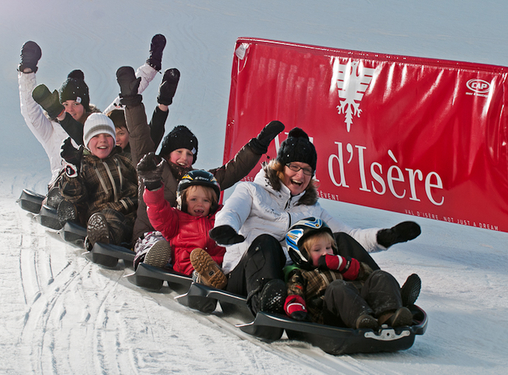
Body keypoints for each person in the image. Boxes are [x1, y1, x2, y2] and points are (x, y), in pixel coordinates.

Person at [208, 127, 421, 316]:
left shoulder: (311, 208)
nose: (300, 175)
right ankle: (267, 301)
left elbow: (350, 235)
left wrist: (384, 237)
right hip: (245, 276)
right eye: (294, 167)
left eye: (307, 170)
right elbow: (233, 211)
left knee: (339, 239)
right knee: (266, 241)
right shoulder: (252, 191)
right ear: (280, 167)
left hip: (291, 281)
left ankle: (385, 294)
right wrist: (225, 229)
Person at [114, 66, 287, 269]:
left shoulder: (196, 180)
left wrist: (257, 146)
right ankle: (151, 258)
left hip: (184, 242)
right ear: (168, 153)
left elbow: (232, 171)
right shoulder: (152, 167)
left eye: (189, 154)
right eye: (179, 152)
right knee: (157, 242)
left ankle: (207, 270)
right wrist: (132, 100)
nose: (185, 158)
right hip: (151, 232)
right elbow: (139, 134)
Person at [17, 35, 166, 186]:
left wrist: (151, 66)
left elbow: (127, 96)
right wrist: (27, 71)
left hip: (96, 188)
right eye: (65, 104)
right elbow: (30, 112)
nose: (70, 109)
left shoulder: (99, 123)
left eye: (75, 103)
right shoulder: (50, 129)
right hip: (62, 186)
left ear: (85, 105)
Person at [282, 217, 420, 329]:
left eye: (329, 247)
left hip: (360, 303)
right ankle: (363, 320)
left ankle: (389, 315)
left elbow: (367, 274)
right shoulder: (300, 274)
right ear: (300, 254)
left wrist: (343, 265)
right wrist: (296, 307)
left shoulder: (339, 264)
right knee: (338, 287)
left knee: (380, 276)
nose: (325, 252)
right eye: (317, 250)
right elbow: (295, 292)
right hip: (331, 315)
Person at [137, 158, 227, 286]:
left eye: (206, 201)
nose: (199, 204)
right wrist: (153, 186)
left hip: (216, 268)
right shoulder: (175, 219)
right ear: (182, 201)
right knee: (158, 239)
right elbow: (158, 211)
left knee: (219, 262)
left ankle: (212, 277)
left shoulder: (220, 218)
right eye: (193, 199)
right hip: (184, 273)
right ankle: (199, 278)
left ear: (213, 204)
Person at [57, 113, 138, 250]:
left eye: (107, 136)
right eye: (96, 136)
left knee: (152, 224)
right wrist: (72, 169)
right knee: (111, 223)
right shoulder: (83, 166)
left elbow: (142, 175)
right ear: (86, 141)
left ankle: (153, 249)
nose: (103, 140)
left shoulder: (124, 159)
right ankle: (102, 239)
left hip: (135, 209)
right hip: (104, 214)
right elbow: (75, 194)